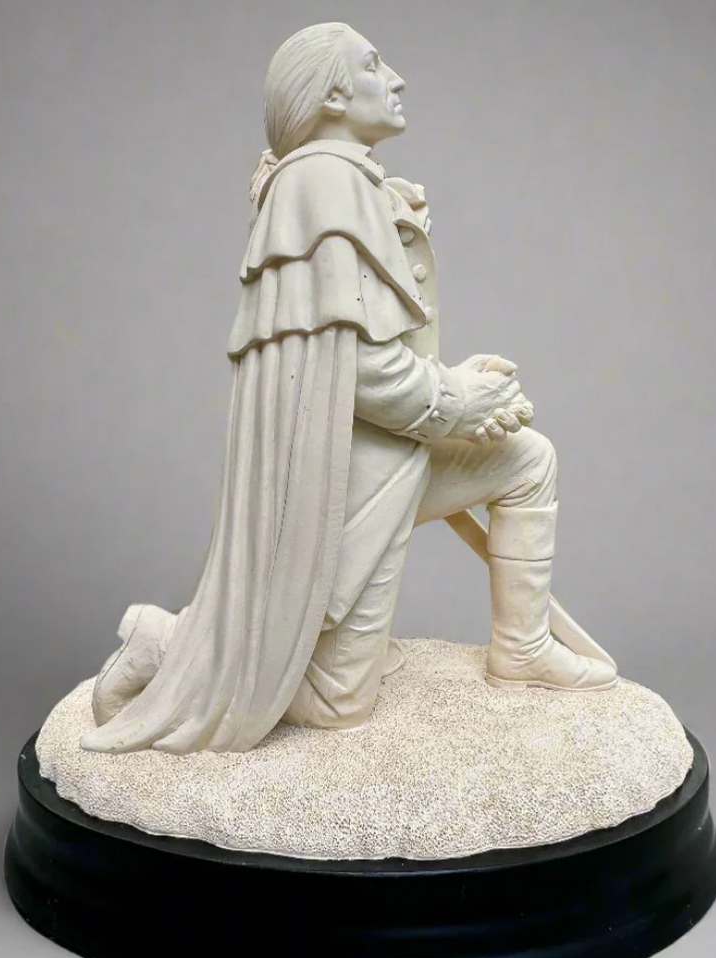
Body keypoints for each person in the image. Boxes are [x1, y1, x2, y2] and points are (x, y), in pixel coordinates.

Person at [81, 22, 617, 756]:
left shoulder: (341, 180)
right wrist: (458, 402)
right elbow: (360, 369)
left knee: (527, 461)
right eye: (373, 65)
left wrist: (458, 382)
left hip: (386, 454)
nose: (395, 79)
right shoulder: (323, 183)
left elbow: (358, 341)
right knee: (338, 705)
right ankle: (170, 643)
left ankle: (520, 650)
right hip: (340, 482)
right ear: (332, 93)